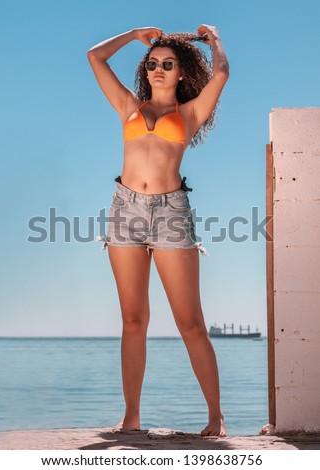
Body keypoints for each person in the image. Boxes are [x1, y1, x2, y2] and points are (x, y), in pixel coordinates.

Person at [87, 25, 229, 437]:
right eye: (153, 64)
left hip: (171, 215)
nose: (159, 69)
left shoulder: (189, 113)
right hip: (124, 212)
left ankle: (216, 417)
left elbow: (221, 73)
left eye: (168, 64)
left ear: (182, 71)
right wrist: (133, 35)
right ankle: (131, 417)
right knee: (133, 319)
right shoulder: (129, 107)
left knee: (191, 323)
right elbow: (94, 56)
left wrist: (214, 39)